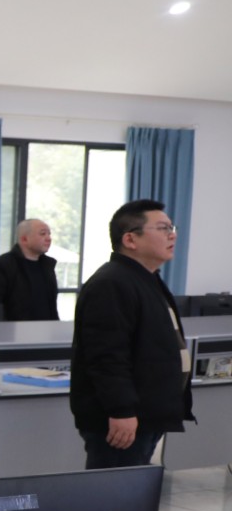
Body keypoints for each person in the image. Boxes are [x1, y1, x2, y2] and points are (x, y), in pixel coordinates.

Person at [70, 200, 191, 469]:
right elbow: (107, 356)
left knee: (132, 489)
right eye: (163, 228)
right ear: (130, 239)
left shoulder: (146, 279)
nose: (172, 235)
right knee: (113, 490)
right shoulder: (112, 283)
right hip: (123, 419)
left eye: (171, 228)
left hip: (145, 415)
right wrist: (121, 410)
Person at [0, 217, 59, 320]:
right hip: (10, 329)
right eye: (42, 234)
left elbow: (51, 307)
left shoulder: (47, 266)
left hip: (46, 328)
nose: (48, 238)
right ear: (24, 239)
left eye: (49, 234)